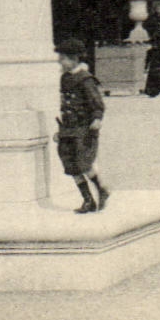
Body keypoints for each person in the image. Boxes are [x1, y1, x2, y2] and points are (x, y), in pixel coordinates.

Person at [54, 38, 109, 213]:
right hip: (68, 129)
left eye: (62, 58)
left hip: (83, 128)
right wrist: (60, 130)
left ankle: (101, 190)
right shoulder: (65, 78)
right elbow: (65, 106)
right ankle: (88, 201)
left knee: (84, 163)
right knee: (70, 165)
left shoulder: (86, 80)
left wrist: (97, 119)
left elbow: (97, 103)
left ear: (73, 59)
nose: (60, 61)